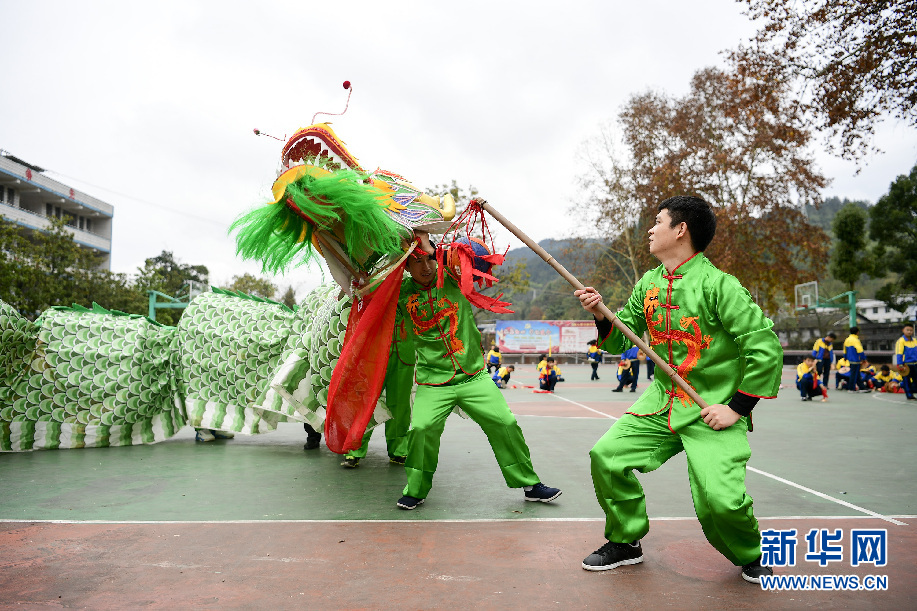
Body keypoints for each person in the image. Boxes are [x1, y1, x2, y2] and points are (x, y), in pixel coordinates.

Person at [574, 195, 782, 585]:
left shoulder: (721, 285)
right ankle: (625, 540)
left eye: (657, 222)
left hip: (713, 410)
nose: (650, 230)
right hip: (661, 402)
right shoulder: (648, 284)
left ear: (680, 230)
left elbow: (765, 347)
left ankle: (750, 554)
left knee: (720, 501)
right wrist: (601, 315)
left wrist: (737, 407)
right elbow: (622, 341)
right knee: (606, 456)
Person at [395, 232, 561, 510]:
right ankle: (416, 489)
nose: (425, 268)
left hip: (474, 375)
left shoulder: (453, 278)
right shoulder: (399, 295)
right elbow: (367, 299)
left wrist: (424, 239)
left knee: (505, 423)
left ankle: (531, 485)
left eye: (429, 259)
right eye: (416, 262)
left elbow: (480, 261)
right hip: (433, 381)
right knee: (421, 428)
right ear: (406, 267)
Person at [340, 314, 415, 468]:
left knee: (400, 406)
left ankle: (398, 450)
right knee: (365, 402)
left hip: (404, 350)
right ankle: (355, 449)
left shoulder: (414, 289)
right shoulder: (372, 288)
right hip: (375, 352)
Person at [894, 323, 917, 401]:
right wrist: (900, 364)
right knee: (906, 381)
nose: (909, 332)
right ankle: (909, 395)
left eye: (911, 330)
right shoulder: (901, 341)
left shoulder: (915, 341)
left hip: (915, 364)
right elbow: (899, 353)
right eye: (907, 330)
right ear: (903, 330)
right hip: (906, 365)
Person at [843, 327, 869, 392]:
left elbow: (844, 350)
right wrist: (864, 358)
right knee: (854, 374)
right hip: (855, 359)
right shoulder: (856, 340)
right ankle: (851, 388)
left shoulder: (847, 339)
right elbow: (860, 350)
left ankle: (862, 387)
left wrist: (845, 357)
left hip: (850, 359)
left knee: (857, 374)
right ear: (857, 332)